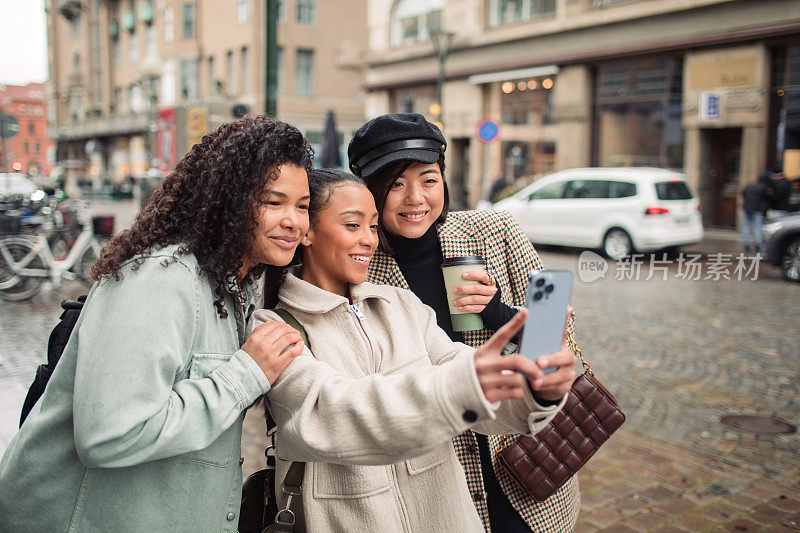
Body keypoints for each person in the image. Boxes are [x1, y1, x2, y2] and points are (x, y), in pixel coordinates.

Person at [0, 116, 314, 532]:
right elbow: (110, 434)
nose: (294, 221)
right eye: (273, 203)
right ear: (228, 201)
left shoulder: (231, 285)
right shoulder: (161, 280)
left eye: (303, 206)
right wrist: (245, 375)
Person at [249, 168, 575, 532]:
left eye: (373, 227)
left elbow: (462, 370)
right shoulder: (274, 328)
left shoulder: (402, 305)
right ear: (307, 231)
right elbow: (332, 411)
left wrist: (532, 388)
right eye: (353, 225)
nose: (370, 240)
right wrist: (458, 385)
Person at [347, 112, 581, 532]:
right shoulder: (360, 270)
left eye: (428, 179)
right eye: (396, 184)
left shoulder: (497, 230)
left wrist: (497, 313)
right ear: (369, 192)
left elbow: (562, 338)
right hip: (436, 483)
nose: (415, 198)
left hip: (527, 461)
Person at [741, 172, 772, 252]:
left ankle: (746, 244)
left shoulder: (749, 185)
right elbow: (767, 198)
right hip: (756, 209)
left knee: (746, 226)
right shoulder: (763, 187)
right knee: (757, 227)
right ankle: (757, 245)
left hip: (747, 208)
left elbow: (743, 193)